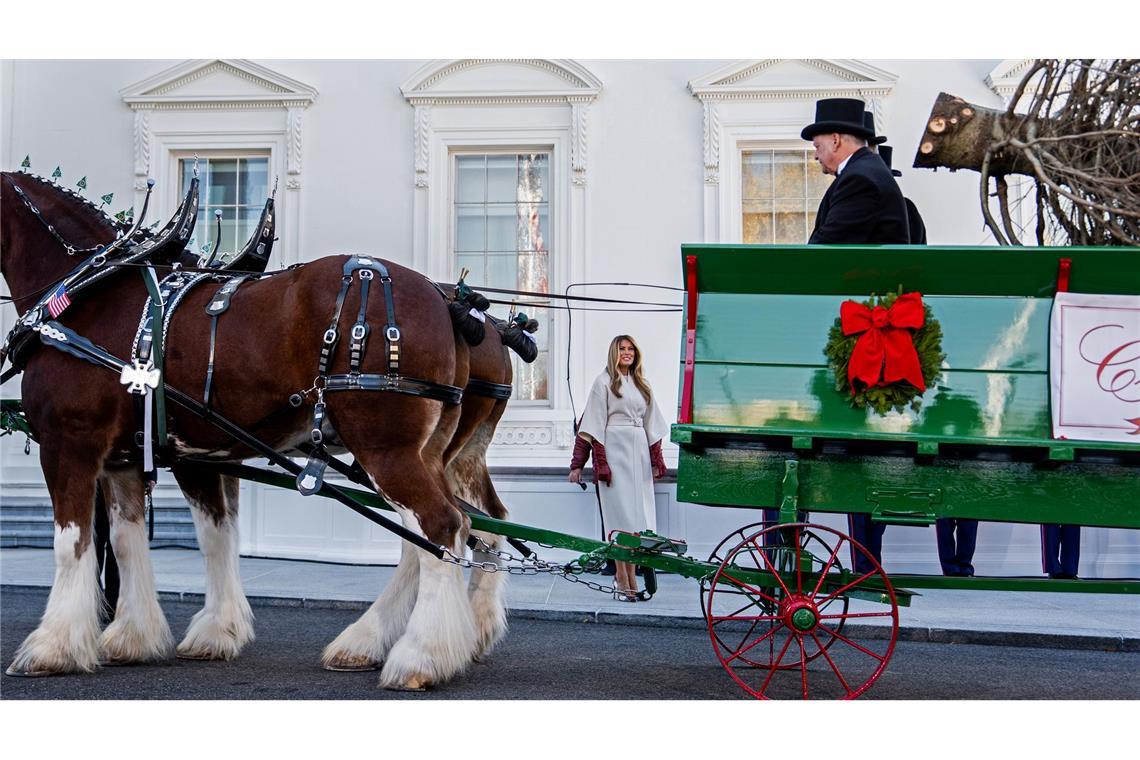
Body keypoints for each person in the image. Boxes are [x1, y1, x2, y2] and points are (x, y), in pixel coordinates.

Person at [569, 335, 668, 601]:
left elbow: (653, 426)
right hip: (614, 452)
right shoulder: (603, 383)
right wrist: (577, 465)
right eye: (622, 349)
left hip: (639, 455)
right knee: (620, 520)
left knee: (637, 522)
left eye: (631, 349)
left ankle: (628, 579)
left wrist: (658, 461)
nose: (627, 353)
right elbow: (589, 426)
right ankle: (624, 580)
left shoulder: (641, 384)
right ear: (614, 353)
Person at [803, 97, 910, 245]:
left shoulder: (860, 180)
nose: (815, 156)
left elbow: (830, 243)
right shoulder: (865, 169)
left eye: (818, 146)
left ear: (835, 140)